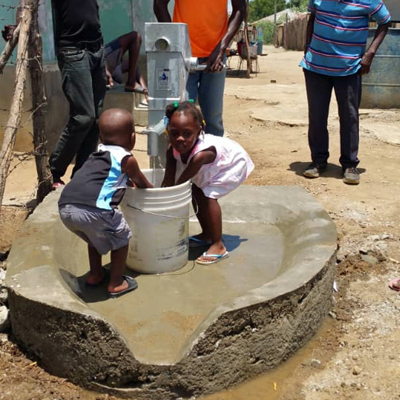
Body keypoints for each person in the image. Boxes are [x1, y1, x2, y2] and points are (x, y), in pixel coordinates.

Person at [58, 108, 153, 297]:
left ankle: (95, 274)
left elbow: (104, 179)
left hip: (65, 207)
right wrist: (155, 191)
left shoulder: (98, 153)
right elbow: (143, 184)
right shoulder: (127, 159)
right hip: (96, 210)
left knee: (94, 236)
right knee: (122, 238)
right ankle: (116, 283)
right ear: (133, 138)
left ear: (101, 137)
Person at [300, 0, 391, 185]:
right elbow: (312, 18)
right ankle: (318, 161)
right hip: (316, 66)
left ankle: (349, 164)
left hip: (349, 68)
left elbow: (385, 21)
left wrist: (370, 54)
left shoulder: (369, 1)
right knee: (317, 116)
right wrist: (307, 47)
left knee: (349, 116)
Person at [162, 101, 254, 265]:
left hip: (231, 163)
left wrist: (164, 205)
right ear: (167, 131)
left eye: (187, 133)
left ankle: (218, 245)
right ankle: (207, 234)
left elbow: (181, 182)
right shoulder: (171, 150)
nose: (180, 138)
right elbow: (168, 180)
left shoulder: (201, 155)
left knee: (208, 195)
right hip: (213, 167)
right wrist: (159, 197)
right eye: (174, 133)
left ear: (199, 131)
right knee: (196, 191)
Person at [153, 0, 246, 137]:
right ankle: (180, 158)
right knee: (181, 117)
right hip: (182, 57)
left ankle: (211, 157)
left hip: (215, 56)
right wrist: (175, 43)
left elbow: (240, 8)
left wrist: (221, 48)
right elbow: (159, 4)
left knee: (213, 121)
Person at [47, 0, 113, 189]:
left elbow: (93, 16)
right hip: (73, 51)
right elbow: (28, 6)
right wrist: (18, 26)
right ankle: (54, 171)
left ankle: (82, 174)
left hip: (97, 50)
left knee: (96, 119)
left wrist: (104, 63)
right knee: (84, 116)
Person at [105, 31, 149, 97]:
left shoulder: (118, 66)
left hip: (106, 66)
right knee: (135, 36)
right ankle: (131, 83)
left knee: (135, 36)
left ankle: (132, 83)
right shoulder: (111, 62)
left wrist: (145, 91)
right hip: (100, 61)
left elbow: (134, 67)